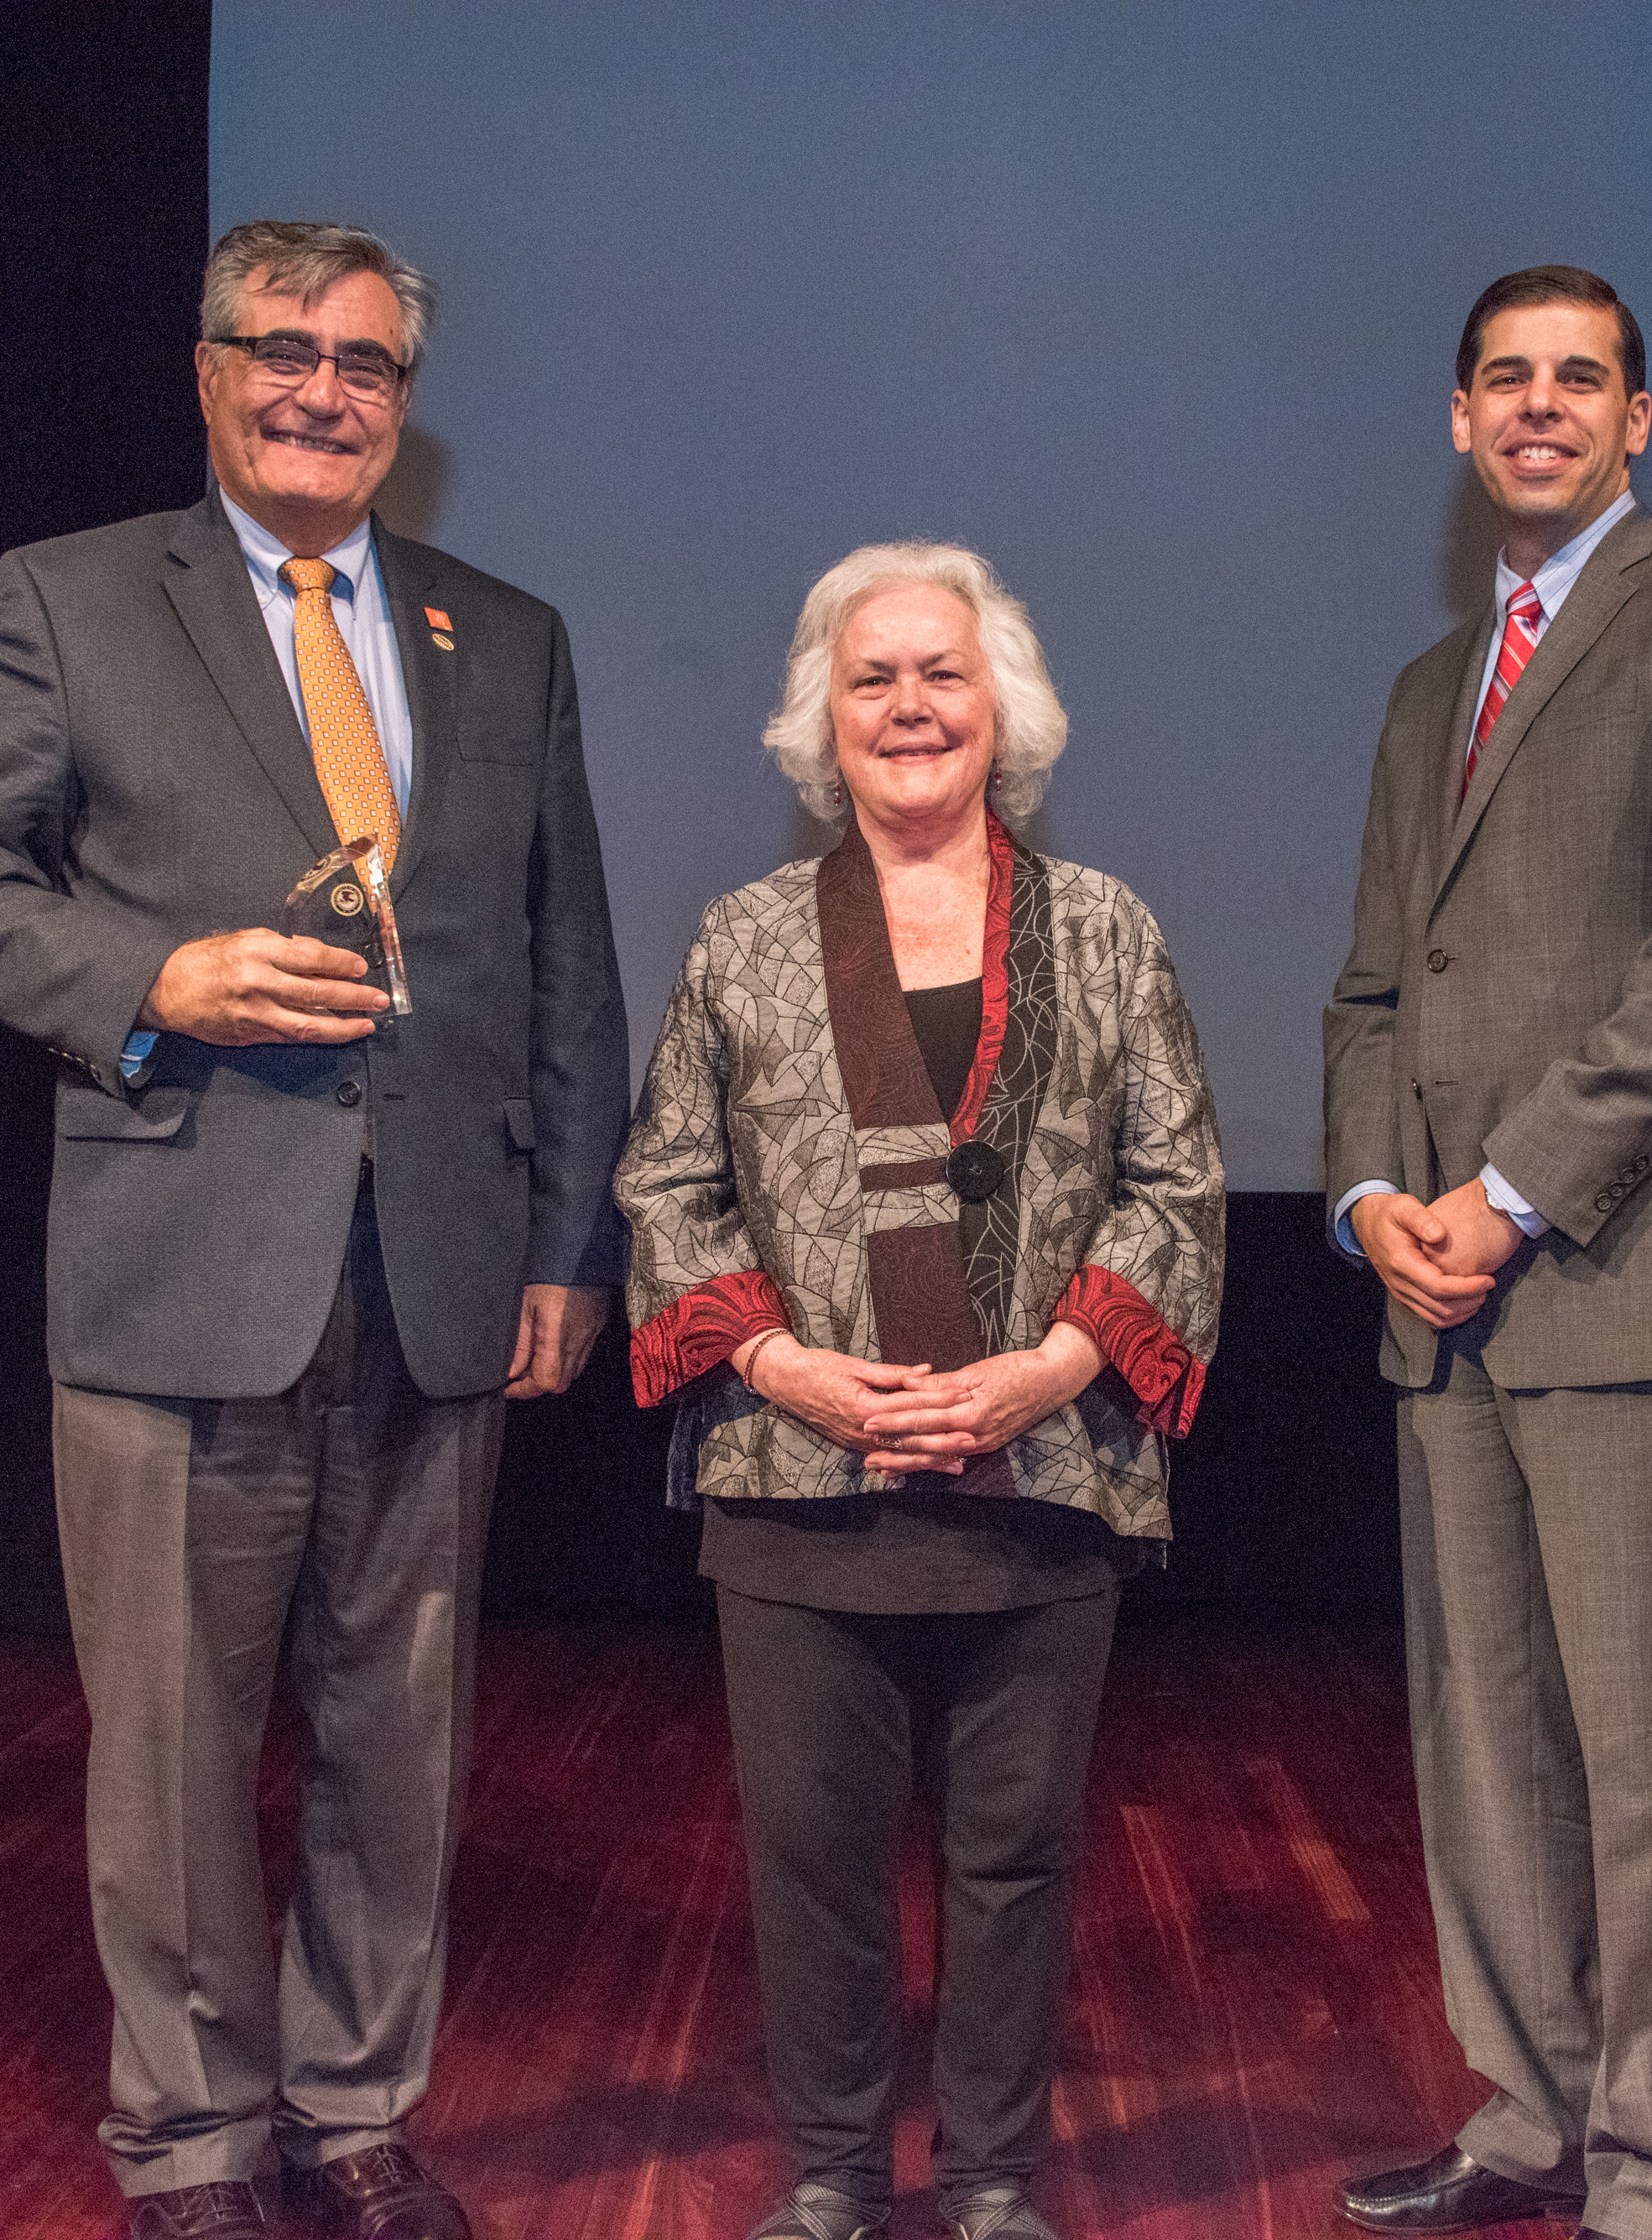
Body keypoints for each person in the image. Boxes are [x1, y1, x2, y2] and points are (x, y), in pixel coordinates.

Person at [0, 221, 628, 2240]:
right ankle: (196, 2142)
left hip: (444, 1275)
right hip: (181, 1269)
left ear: (406, 397)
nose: (324, 390)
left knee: (402, 1727)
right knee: (178, 1744)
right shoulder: (75, 598)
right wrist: (155, 979)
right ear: (206, 372)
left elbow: (561, 966)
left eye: (367, 362)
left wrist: (571, 1242)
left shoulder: (508, 632)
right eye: (281, 350)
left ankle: (354, 2110)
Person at [616, 542, 1223, 2240]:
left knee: (1013, 1864)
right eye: (870, 675)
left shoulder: (1105, 930)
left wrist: (1045, 1372)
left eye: (939, 672)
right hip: (798, 1491)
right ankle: (824, 2177)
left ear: (1000, 707)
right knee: (813, 1874)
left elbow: (1171, 1187)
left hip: (1045, 1486)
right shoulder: (739, 944)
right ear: (824, 714)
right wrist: (784, 1367)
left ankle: (989, 2184)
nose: (907, 706)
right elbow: (668, 1190)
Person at [1321, 267, 1652, 2240]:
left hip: (1627, 1280)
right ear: (1459, 422)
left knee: (1648, 1764)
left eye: (1581, 381)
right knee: (1484, 1753)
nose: (1540, 406)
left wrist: (1511, 1187)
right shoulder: (1419, 689)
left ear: (1634, 420)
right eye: (1505, 380)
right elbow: (1376, 987)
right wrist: (1375, 1201)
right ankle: (1525, 2121)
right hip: (1436, 1298)